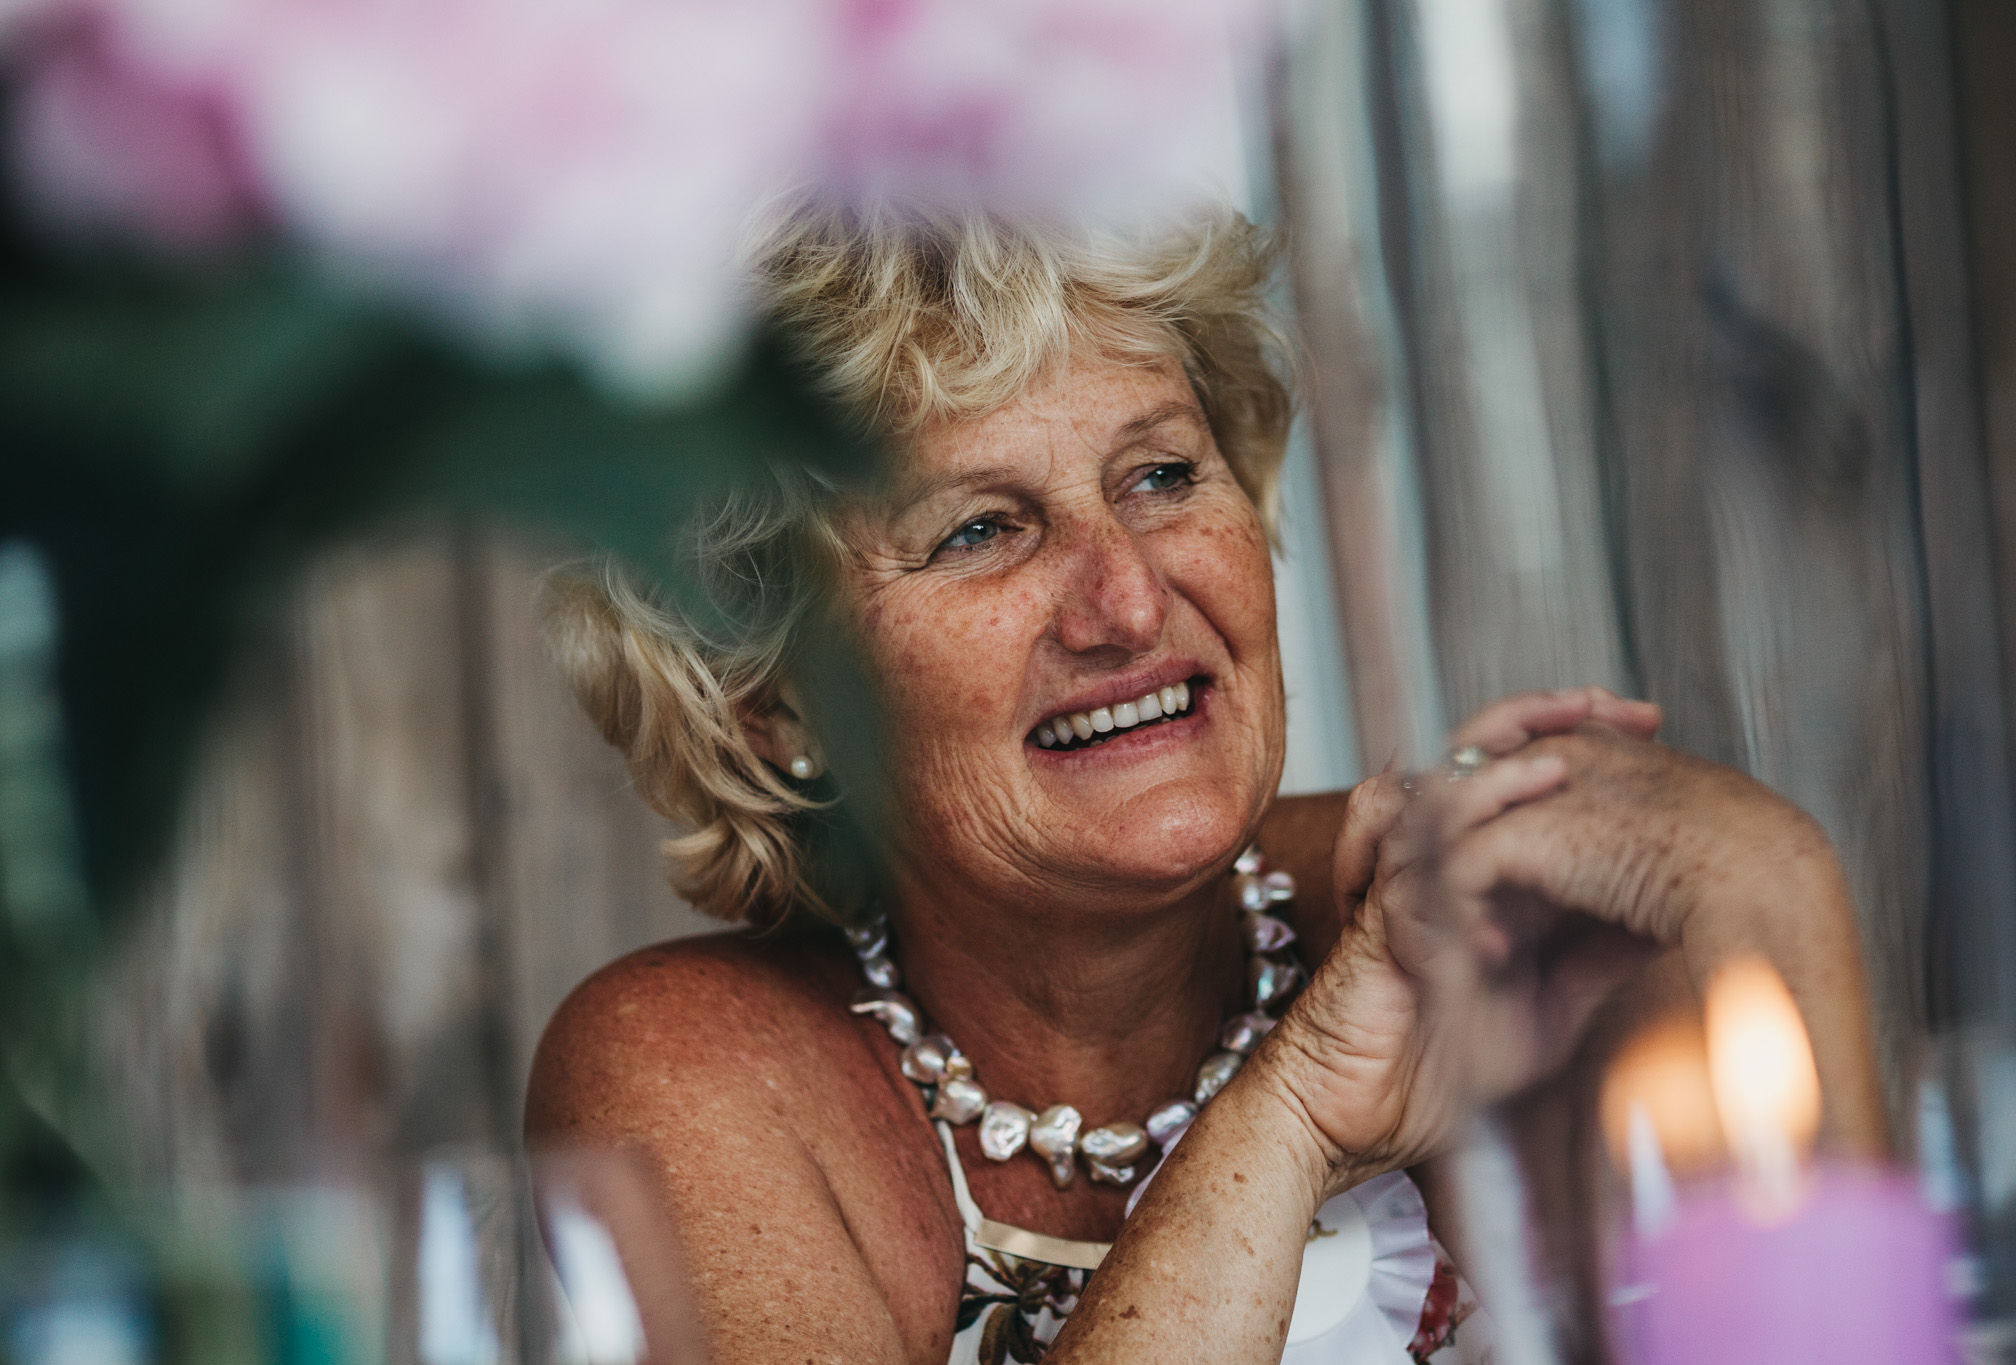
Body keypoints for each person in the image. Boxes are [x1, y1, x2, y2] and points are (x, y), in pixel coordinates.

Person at [526, 203, 1886, 1365]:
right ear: (776, 708)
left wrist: (1740, 867)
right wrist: (1291, 1117)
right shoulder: (688, 1073)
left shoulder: (1509, 933)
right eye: (982, 529)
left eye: (1163, 474)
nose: (1125, 599)